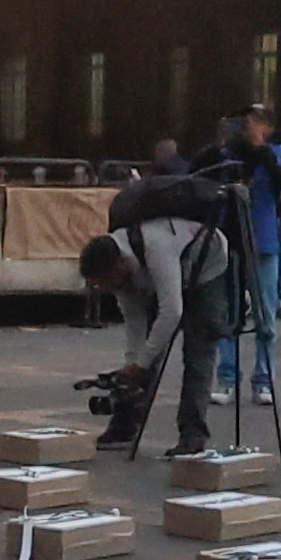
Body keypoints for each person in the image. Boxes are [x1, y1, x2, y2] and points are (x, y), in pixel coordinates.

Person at [103, 137, 232, 455]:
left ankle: (193, 435)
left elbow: (172, 311)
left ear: (117, 264)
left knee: (199, 350)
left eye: (108, 281)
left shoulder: (155, 244)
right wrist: (134, 365)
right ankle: (125, 424)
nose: (111, 287)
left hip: (208, 265)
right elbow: (137, 326)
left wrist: (141, 364)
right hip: (175, 267)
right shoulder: (118, 264)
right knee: (149, 350)